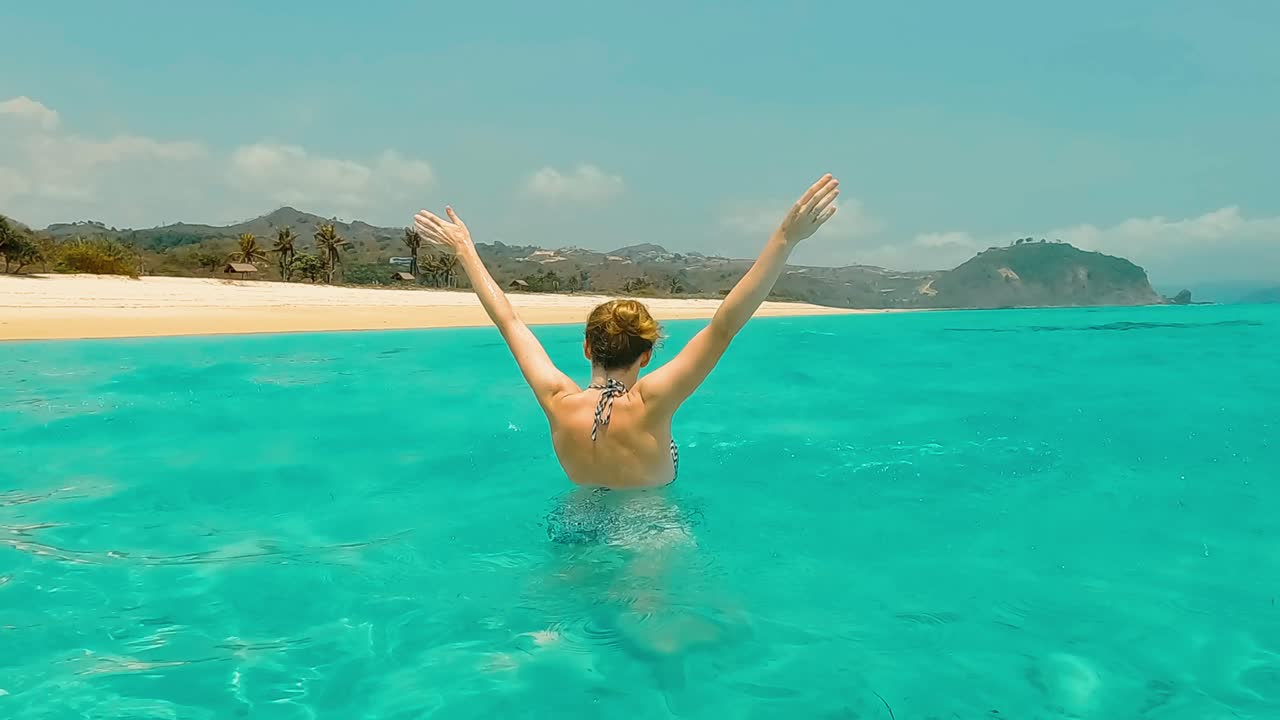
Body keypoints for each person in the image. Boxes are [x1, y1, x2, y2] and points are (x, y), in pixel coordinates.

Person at [413, 173, 839, 489]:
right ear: (646, 356)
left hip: (576, 529)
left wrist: (465, 249)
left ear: (586, 348)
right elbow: (724, 325)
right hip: (647, 540)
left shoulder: (559, 402)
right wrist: (785, 239)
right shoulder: (649, 403)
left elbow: (508, 320)